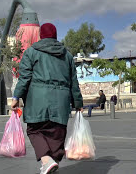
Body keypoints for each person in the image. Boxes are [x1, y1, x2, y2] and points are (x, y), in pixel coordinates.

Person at [11, 23, 83, 174]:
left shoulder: (31, 52)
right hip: (61, 101)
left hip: (38, 100)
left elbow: (24, 78)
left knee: (34, 129)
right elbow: (73, 82)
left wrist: (16, 96)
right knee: (57, 132)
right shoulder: (67, 55)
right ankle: (51, 164)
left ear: (41, 36)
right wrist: (78, 102)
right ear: (55, 36)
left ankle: (46, 161)